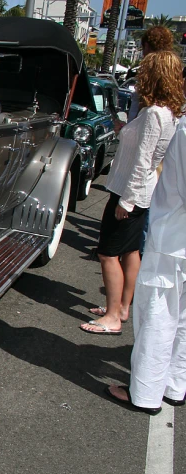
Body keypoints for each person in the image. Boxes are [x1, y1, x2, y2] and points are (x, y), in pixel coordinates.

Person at [81, 51, 183, 336]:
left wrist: (126, 200)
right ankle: (123, 307)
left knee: (107, 253)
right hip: (142, 192)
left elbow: (142, 160)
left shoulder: (152, 114)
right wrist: (125, 130)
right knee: (129, 251)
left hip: (129, 191)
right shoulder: (170, 112)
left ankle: (113, 316)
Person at [106, 86, 186, 414]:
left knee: (157, 316)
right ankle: (174, 384)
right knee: (180, 319)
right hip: (176, 239)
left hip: (172, 239)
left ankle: (145, 393)